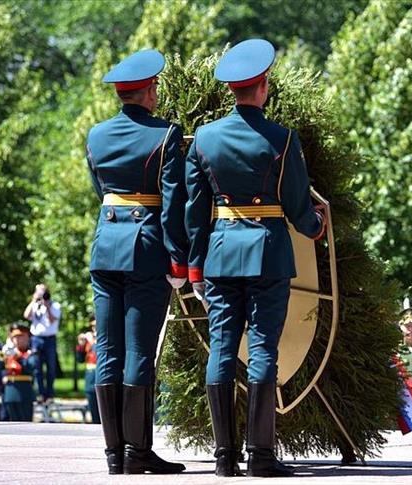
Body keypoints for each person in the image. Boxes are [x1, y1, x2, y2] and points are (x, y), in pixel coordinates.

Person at [185, 38, 326, 477]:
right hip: (267, 253)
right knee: (263, 347)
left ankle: (224, 457)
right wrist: (316, 225)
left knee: (222, 347)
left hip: (221, 255)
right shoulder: (282, 139)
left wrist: (195, 265)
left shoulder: (204, 138)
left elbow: (194, 211)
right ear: (262, 87)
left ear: (233, 90)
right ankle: (261, 456)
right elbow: (297, 204)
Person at [86, 49, 189, 474]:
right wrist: (179, 258)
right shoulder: (166, 135)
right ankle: (138, 452)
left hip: (105, 245)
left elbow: (101, 190)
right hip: (146, 249)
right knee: (140, 351)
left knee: (108, 350)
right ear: (148, 92)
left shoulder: (96, 135)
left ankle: (115, 454)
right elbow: (173, 203)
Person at [23, 283, 61, 402]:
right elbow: (26, 315)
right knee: (37, 367)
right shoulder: (35, 305)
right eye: (38, 291)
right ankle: (40, 394)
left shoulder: (55, 305)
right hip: (36, 339)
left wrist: (47, 306)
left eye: (42, 291)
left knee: (51, 367)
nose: (40, 294)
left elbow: (52, 320)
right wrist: (33, 300)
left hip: (49, 339)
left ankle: (50, 394)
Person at [0, 323, 38, 422]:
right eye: (15, 337)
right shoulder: (9, 353)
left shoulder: (31, 354)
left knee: (26, 423)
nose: (17, 340)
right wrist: (4, 356)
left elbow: (30, 367)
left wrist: (18, 357)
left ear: (27, 338)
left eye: (21, 337)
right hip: (9, 393)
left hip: (25, 393)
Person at [76, 316, 100, 424]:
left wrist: (93, 342)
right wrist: (81, 345)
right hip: (90, 380)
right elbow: (80, 360)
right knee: (94, 414)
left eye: (96, 326)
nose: (94, 329)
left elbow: (100, 354)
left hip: (102, 378)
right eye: (93, 326)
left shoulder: (104, 339)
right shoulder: (90, 341)